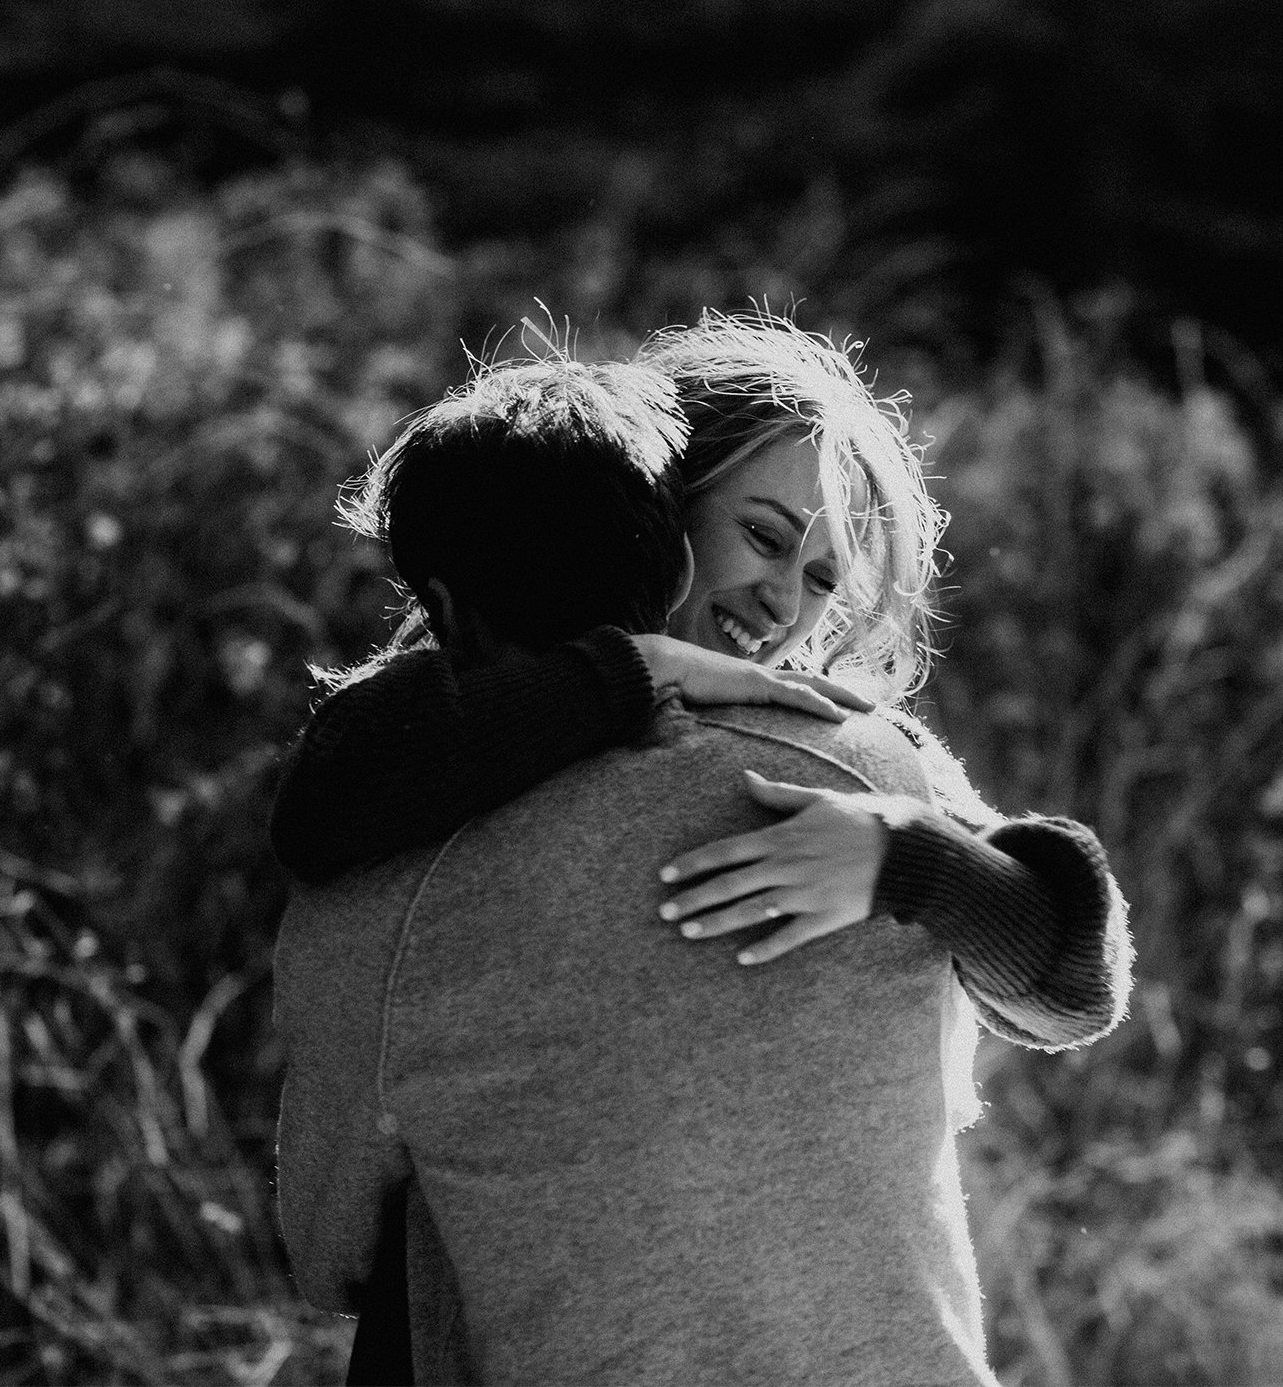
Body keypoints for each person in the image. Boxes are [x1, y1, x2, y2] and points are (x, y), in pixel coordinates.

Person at [271, 317, 1131, 1381]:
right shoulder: (862, 761)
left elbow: (329, 1252)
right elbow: (333, 785)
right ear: (657, 501)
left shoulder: (860, 773)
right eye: (766, 539)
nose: (786, 603)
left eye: (825, 579)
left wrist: (913, 860)